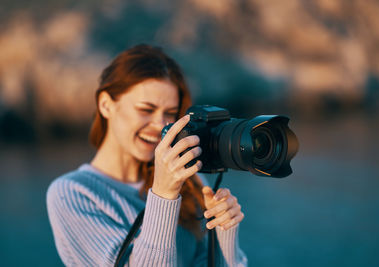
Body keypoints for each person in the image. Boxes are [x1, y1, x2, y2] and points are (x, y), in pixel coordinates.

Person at [46, 44, 247, 266]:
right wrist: (163, 195)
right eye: (146, 110)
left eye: (170, 113)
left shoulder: (189, 180)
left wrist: (224, 231)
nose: (160, 125)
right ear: (106, 105)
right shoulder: (72, 193)